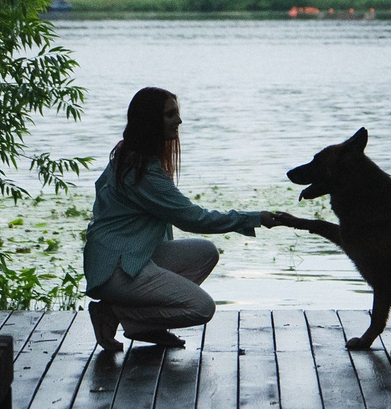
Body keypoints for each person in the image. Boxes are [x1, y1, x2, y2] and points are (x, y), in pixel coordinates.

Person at [82, 86, 297, 353]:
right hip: (117, 268)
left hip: (128, 256)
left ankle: (137, 322)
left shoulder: (128, 154)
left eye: (177, 113)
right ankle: (116, 313)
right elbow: (193, 218)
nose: (179, 121)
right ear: (151, 121)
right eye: (171, 114)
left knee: (205, 252)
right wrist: (256, 218)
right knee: (201, 308)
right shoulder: (142, 171)